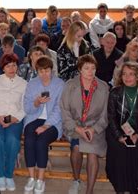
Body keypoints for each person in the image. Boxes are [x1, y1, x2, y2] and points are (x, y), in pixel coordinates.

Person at [60, 55, 109, 194]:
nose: (90, 71)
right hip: (75, 125)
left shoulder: (103, 87)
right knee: (76, 148)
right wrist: (77, 129)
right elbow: (64, 110)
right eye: (87, 68)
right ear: (80, 69)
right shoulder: (70, 85)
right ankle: (76, 180)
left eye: (93, 68)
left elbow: (105, 115)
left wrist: (94, 129)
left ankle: (89, 190)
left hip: (95, 127)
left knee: (92, 154)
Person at [106, 62, 138, 194]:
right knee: (121, 149)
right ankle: (120, 186)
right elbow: (111, 118)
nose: (127, 77)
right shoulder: (115, 93)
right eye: (124, 74)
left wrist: (137, 135)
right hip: (117, 130)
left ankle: (133, 185)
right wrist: (119, 136)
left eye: (131, 74)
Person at [0, 54, 27, 191]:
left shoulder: (24, 83)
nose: (12, 68)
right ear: (3, 68)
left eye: (14, 65)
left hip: (14, 119)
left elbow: (25, 106)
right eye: (8, 66)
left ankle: (8, 175)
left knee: (12, 140)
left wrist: (16, 118)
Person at [23, 56, 64, 194]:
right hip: (34, 118)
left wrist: (47, 125)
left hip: (53, 122)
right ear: (37, 71)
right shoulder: (32, 84)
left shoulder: (59, 84)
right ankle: (31, 177)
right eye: (41, 71)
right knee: (29, 140)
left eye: (47, 71)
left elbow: (60, 109)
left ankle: (40, 179)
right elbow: (27, 108)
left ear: (51, 70)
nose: (44, 74)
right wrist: (37, 103)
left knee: (41, 142)